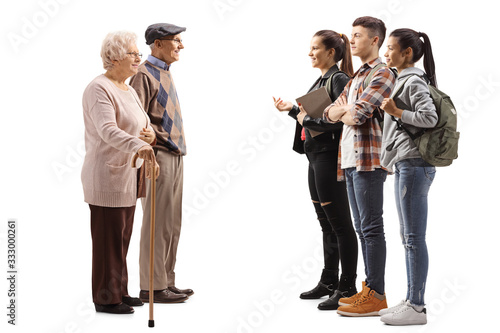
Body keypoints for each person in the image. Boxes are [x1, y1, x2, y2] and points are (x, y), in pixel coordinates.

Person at [273, 30, 358, 310]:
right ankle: (329, 281)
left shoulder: (340, 79)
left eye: (314, 48)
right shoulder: (322, 79)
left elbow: (343, 122)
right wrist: (291, 110)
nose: (310, 53)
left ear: (331, 52)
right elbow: (312, 118)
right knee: (326, 222)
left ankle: (347, 286)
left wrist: (302, 115)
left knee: (340, 223)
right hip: (315, 156)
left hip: (330, 157)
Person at [323, 16, 396, 316]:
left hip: (369, 161)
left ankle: (376, 293)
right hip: (350, 161)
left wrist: (345, 111)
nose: (351, 41)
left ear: (375, 40)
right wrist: (343, 111)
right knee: (361, 228)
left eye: (357, 36)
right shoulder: (353, 78)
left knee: (371, 227)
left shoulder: (383, 73)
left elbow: (360, 114)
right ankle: (368, 289)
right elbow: (329, 112)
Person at [82, 31, 158, 314]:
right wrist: (140, 144)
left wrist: (148, 136)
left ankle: (119, 290)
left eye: (139, 53)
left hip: (129, 174)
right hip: (107, 175)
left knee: (122, 236)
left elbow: (141, 126)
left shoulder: (129, 89)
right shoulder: (98, 88)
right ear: (114, 58)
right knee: (108, 240)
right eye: (133, 54)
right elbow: (108, 130)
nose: (139, 58)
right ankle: (105, 298)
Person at [378, 28, 438, 326]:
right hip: (406, 165)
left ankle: (417, 306)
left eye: (390, 48)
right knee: (409, 237)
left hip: (414, 165)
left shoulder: (413, 81)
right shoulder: (401, 79)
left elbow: (430, 118)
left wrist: (397, 111)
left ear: (408, 53)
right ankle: (411, 299)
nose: (385, 53)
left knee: (413, 237)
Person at [129, 23, 193, 303]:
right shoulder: (142, 75)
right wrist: (148, 149)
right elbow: (135, 120)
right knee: (156, 221)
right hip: (157, 156)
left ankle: (166, 280)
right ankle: (151, 287)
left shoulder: (164, 73)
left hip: (175, 154)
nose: (181, 46)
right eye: (176, 41)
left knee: (171, 222)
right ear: (157, 43)